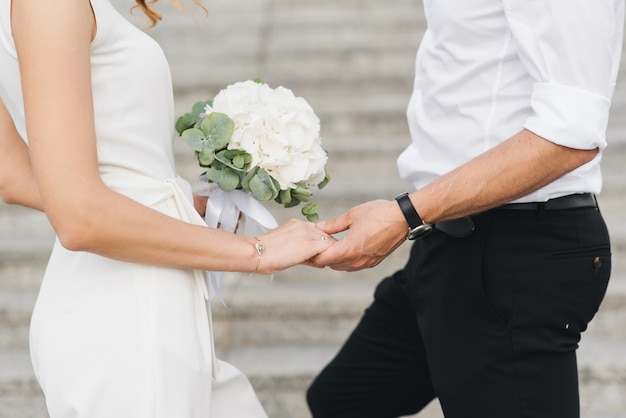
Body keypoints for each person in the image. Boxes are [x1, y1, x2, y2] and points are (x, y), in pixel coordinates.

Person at [0, 0, 334, 417]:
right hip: (125, 308)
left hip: (132, 291)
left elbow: (14, 175)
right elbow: (77, 215)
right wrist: (257, 253)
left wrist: (170, 212)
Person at [307, 1, 623, 417]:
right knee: (343, 400)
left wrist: (406, 213)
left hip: (516, 251)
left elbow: (571, 134)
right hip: (447, 237)